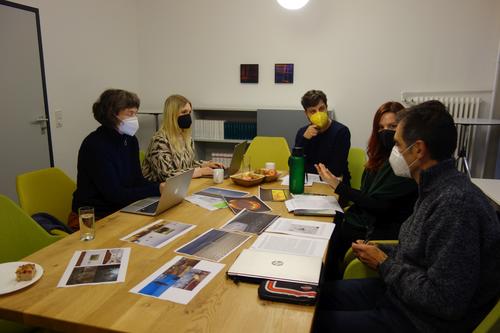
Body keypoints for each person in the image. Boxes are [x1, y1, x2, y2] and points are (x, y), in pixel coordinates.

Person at [313, 100, 500, 332]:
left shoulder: (455, 205)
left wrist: (383, 262)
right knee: (311, 295)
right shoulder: (434, 188)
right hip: (399, 297)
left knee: (308, 323)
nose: (394, 152)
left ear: (419, 150)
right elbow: (419, 254)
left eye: (398, 144)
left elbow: (444, 301)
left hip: (419, 321)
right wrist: (382, 250)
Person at [316, 101, 418, 278]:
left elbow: (378, 205)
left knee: (325, 245)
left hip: (375, 230)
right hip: (359, 220)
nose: (385, 132)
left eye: (392, 126)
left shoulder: (404, 164)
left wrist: (338, 186)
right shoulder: (380, 158)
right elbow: (366, 195)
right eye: (381, 127)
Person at [71, 89, 164, 229]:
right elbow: (115, 194)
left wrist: (163, 187)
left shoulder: (130, 140)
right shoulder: (95, 145)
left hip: (122, 207)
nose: (135, 118)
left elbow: (137, 180)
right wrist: (157, 188)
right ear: (112, 115)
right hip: (94, 217)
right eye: (130, 113)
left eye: (135, 113)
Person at [142, 94, 222, 181]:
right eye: (184, 112)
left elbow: (187, 165)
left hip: (181, 185)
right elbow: (166, 175)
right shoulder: (160, 141)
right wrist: (200, 171)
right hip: (160, 190)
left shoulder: (187, 138)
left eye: (189, 112)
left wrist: (205, 164)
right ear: (172, 115)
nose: (187, 116)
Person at [294, 90, 351, 184]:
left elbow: (335, 170)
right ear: (306, 113)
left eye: (321, 109)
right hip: (308, 183)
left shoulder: (341, 132)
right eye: (313, 111)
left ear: (326, 108)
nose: (318, 114)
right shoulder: (302, 132)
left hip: (335, 185)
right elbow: (294, 165)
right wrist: (304, 140)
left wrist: (306, 169)